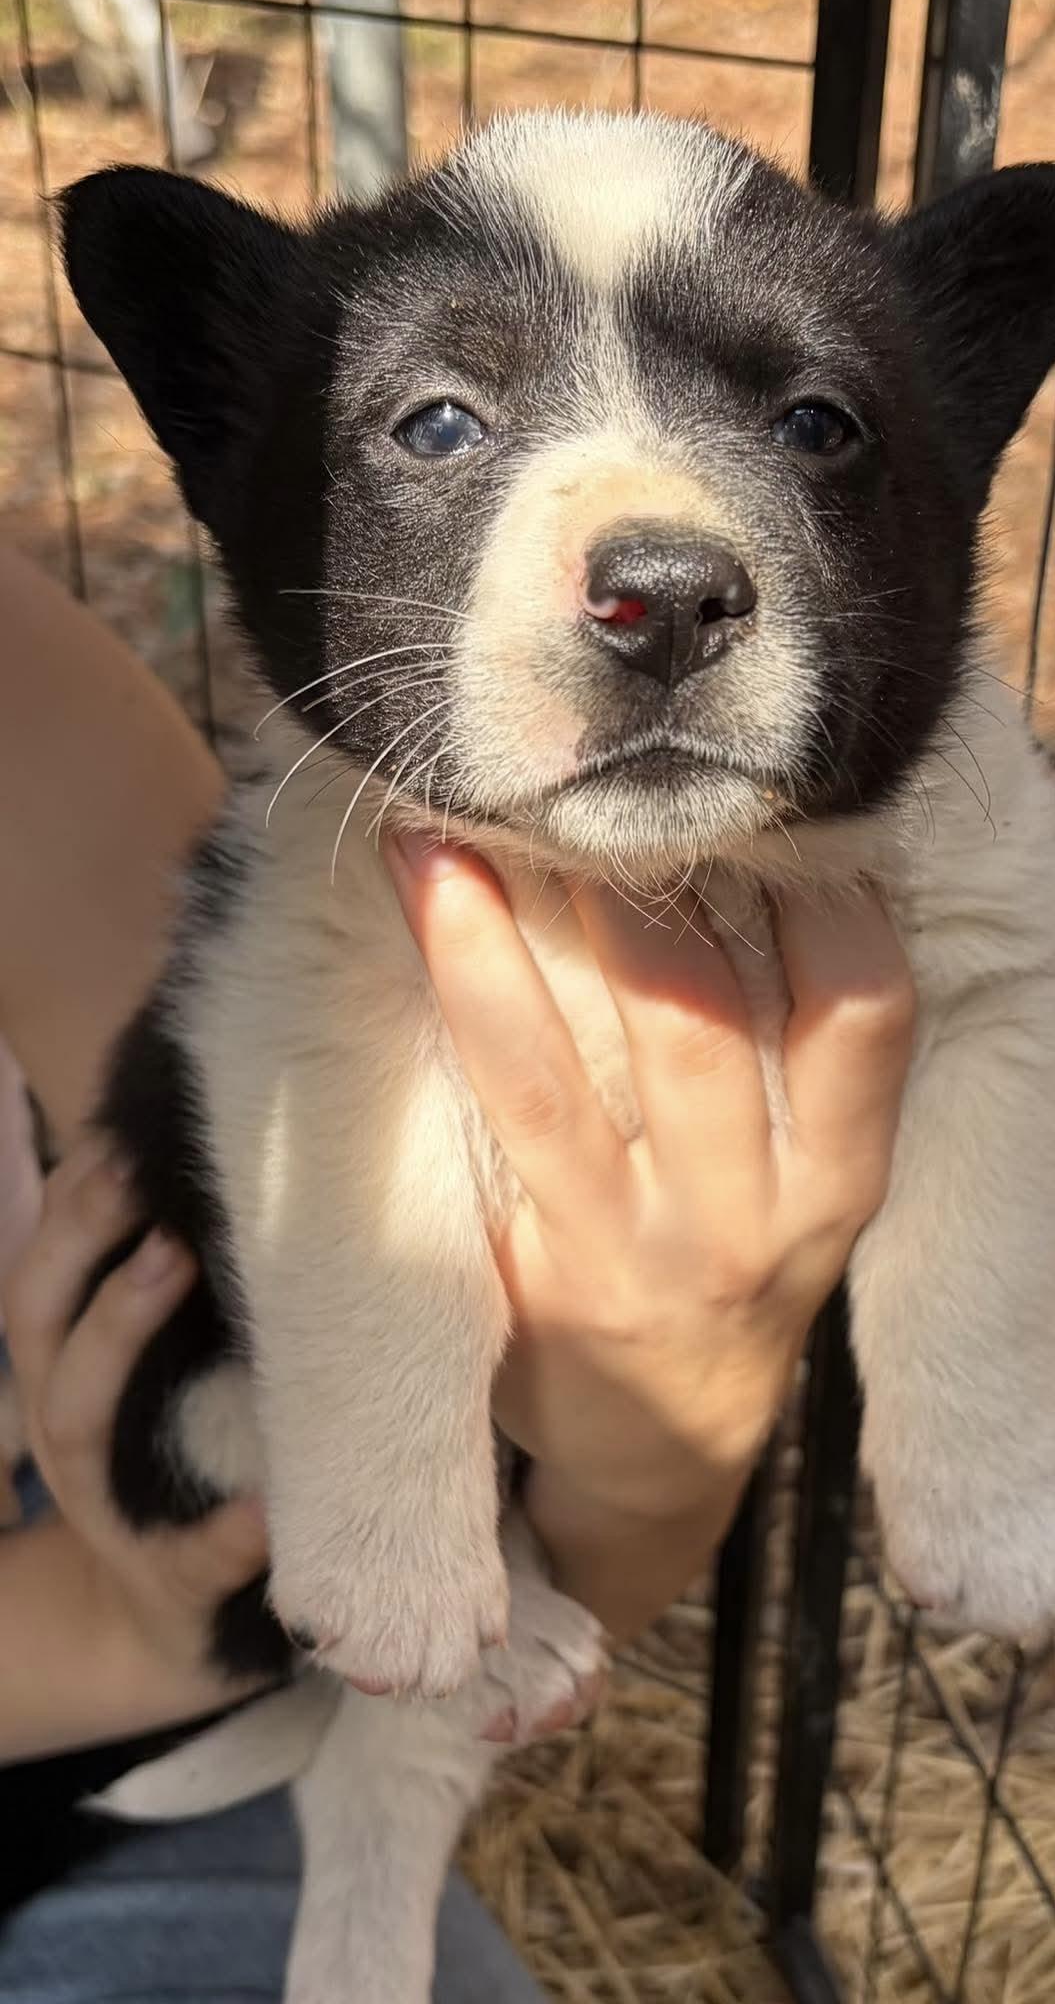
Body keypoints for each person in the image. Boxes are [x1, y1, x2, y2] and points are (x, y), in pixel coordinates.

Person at [0, 544, 913, 2000]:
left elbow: (257, 1085)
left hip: (147, 1673)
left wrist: (659, 1450)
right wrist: (117, 1637)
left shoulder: (19, 701)